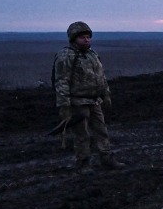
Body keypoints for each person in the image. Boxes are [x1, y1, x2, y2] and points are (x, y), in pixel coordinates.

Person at [53, 21, 125, 174]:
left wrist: (106, 94)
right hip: (77, 102)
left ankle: (106, 158)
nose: (86, 40)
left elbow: (101, 77)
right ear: (73, 39)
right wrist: (64, 106)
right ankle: (83, 163)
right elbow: (61, 81)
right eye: (82, 38)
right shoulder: (66, 56)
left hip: (94, 100)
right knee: (82, 134)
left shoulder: (92, 54)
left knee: (101, 131)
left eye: (88, 37)